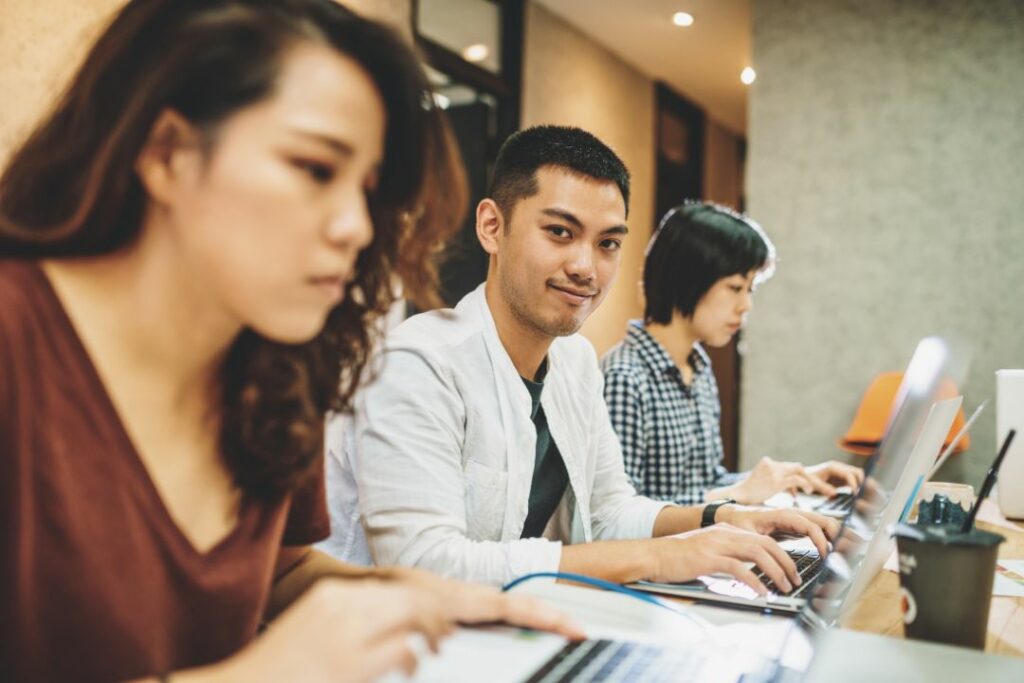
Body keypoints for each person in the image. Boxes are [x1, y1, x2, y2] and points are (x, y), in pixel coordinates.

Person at [0, 2, 579, 682]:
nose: (356, 227)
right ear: (167, 154)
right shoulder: (18, 341)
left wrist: (415, 597)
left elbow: (280, 569)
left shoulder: (270, 365)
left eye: (368, 190)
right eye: (313, 169)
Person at [337, 125, 840, 591]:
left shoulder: (575, 362)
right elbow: (423, 565)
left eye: (608, 244)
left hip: (511, 624)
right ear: (492, 227)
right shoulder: (418, 363)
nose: (586, 267)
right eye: (560, 232)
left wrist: (722, 518)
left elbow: (609, 512)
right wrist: (658, 557)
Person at [601, 202, 863, 506]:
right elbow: (619, 514)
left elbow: (707, 483)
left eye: (750, 289)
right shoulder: (624, 378)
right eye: (735, 287)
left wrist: (795, 478)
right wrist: (737, 494)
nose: (746, 305)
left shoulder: (697, 369)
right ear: (688, 278)